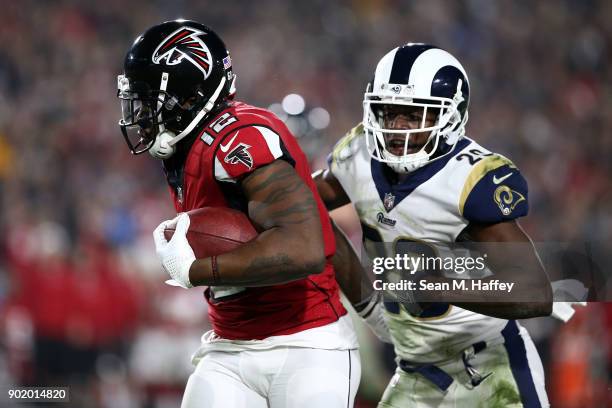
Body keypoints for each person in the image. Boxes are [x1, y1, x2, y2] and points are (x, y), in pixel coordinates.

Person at [117, 20, 359, 408]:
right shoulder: (188, 144)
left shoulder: (238, 135)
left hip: (306, 343)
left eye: (150, 99)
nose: (141, 112)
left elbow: (304, 247)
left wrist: (196, 269)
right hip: (230, 344)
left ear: (187, 95)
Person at [314, 43, 553, 407]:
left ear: (451, 117)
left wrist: (441, 287)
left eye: (414, 115)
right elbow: (306, 205)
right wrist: (366, 301)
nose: (397, 128)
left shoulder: (470, 179)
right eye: (388, 112)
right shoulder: (358, 154)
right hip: (415, 369)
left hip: (490, 363)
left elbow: (535, 293)